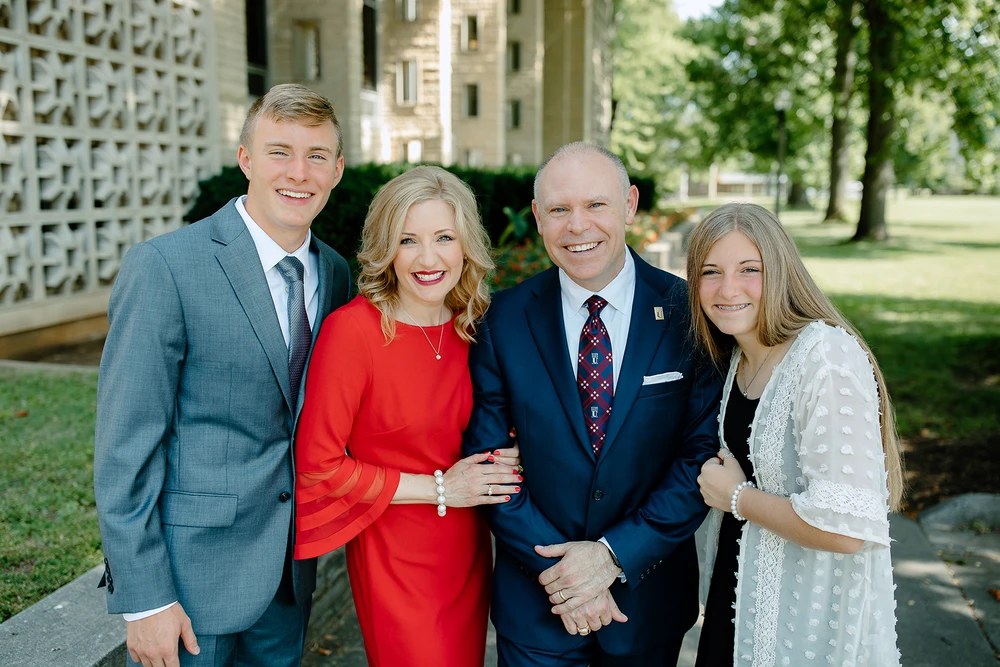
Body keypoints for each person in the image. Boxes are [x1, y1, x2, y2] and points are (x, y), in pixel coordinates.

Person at [93, 84, 351, 667]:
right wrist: (144, 599)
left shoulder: (335, 273)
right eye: (279, 151)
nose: (299, 172)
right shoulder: (165, 266)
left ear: (336, 170)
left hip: (289, 581)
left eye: (316, 156)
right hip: (187, 588)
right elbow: (124, 449)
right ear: (246, 159)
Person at [461, 142, 723, 666]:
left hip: (646, 601)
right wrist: (567, 578)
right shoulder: (502, 321)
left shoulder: (690, 312)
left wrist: (611, 557)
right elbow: (489, 465)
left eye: (595, 205)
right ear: (538, 217)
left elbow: (700, 457)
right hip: (538, 605)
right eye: (559, 209)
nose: (577, 226)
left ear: (628, 204)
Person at [292, 165, 522, 667]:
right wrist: (442, 489)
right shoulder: (352, 332)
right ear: (385, 249)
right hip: (393, 548)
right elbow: (318, 463)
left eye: (444, 237)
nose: (428, 258)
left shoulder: (474, 327)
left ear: (466, 246)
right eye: (408, 240)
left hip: (468, 545)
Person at [689, 202, 903, 667]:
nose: (728, 289)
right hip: (737, 603)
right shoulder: (735, 359)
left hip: (802, 623)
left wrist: (738, 498)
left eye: (750, 269)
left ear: (781, 271)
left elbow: (845, 528)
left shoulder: (824, 358)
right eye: (711, 272)